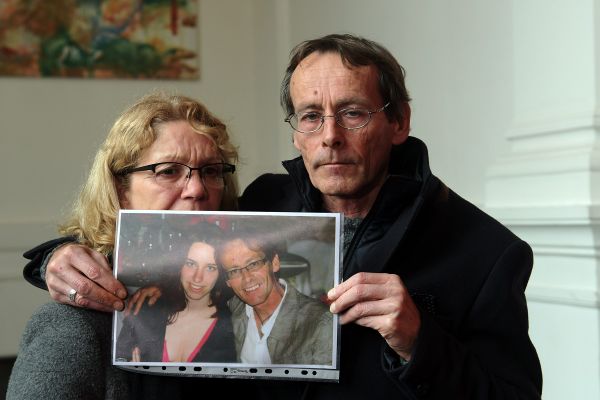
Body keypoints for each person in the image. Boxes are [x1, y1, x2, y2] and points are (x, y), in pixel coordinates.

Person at [17, 33, 543, 399]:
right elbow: (151, 234)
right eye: (311, 116)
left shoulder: (487, 252)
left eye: (354, 113)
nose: (330, 136)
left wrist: (418, 342)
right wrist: (52, 258)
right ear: (295, 131)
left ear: (398, 121)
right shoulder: (265, 202)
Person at [7, 92, 255, 399]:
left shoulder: (242, 303)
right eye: (167, 171)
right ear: (121, 189)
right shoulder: (71, 326)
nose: (197, 188)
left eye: (211, 171)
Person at [116, 226, 236, 363]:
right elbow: (118, 362)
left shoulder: (232, 323)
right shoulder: (148, 305)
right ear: (179, 265)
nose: (198, 278)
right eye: (191, 264)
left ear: (221, 273)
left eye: (210, 268)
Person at [216, 224, 332, 365]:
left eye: (253, 264)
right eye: (234, 271)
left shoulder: (320, 321)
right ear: (228, 281)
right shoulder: (230, 311)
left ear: (275, 263)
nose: (247, 278)